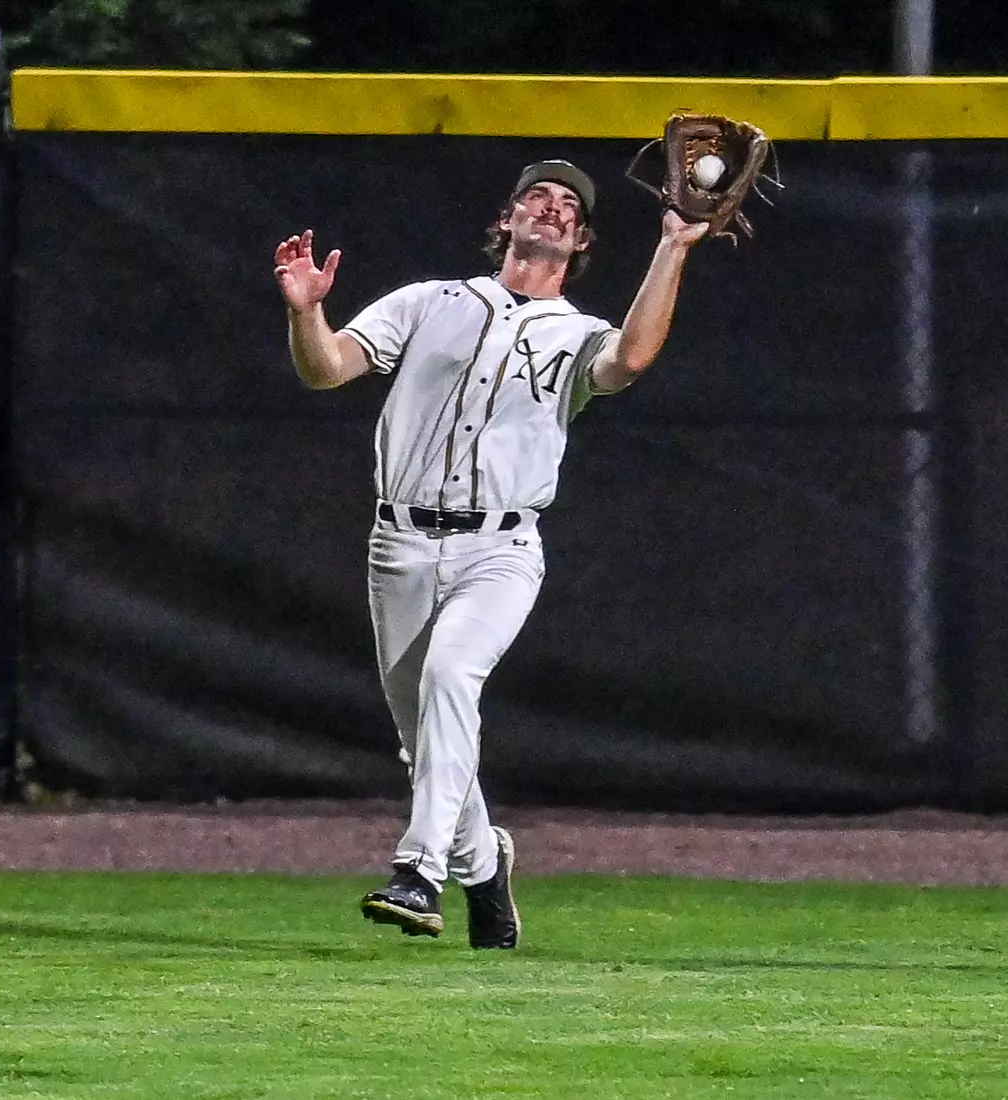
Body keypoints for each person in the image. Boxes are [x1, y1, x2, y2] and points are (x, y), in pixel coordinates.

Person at [272, 159, 709, 948]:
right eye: (535, 196)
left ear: (579, 240)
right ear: (506, 218)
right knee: (423, 735)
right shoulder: (429, 301)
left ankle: (419, 872)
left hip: (500, 549)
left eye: (567, 205)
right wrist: (306, 313)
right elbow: (327, 368)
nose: (549, 208)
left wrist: (673, 246)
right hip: (398, 544)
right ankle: (486, 867)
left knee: (449, 678)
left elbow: (631, 360)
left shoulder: (576, 334)